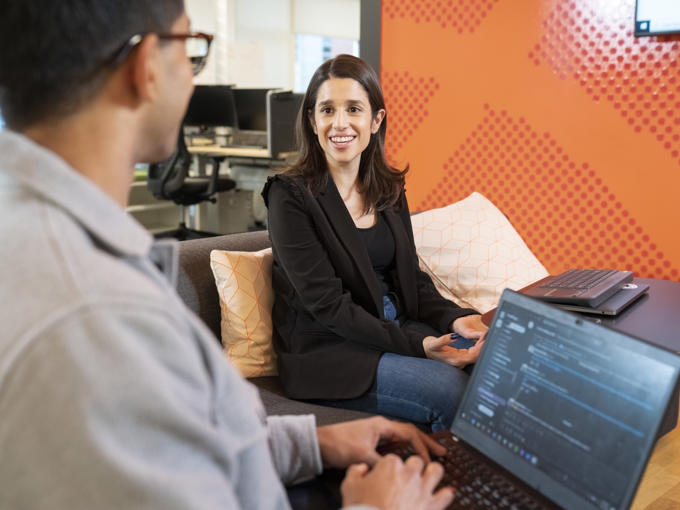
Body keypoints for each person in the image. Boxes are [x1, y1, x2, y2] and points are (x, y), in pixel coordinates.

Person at [0, 2, 455, 509]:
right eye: (193, 50)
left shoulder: (55, 248)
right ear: (146, 66)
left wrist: (310, 444)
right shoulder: (94, 312)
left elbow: (188, 442)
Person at [262, 54, 488, 432]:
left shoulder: (388, 189)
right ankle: (456, 489)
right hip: (331, 350)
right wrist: (419, 347)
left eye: (353, 109)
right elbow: (328, 307)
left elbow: (412, 279)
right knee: (451, 391)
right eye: (327, 110)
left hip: (395, 327)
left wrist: (455, 317)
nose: (340, 123)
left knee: (497, 364)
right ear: (311, 120)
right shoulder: (289, 197)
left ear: (376, 119)